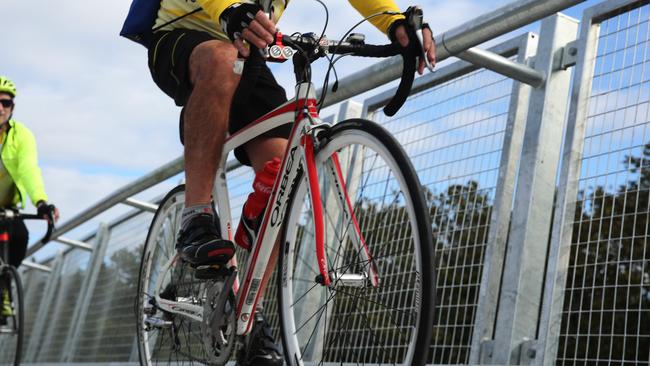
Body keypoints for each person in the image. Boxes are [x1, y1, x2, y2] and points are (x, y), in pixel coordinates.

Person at [144, 1, 435, 364]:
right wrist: (229, 8)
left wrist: (394, 24)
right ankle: (196, 216)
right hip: (183, 31)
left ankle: (250, 315)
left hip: (247, 45)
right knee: (220, 58)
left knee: (286, 170)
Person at [0, 76, 60, 326]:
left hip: (8, 207)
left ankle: (3, 288)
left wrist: (41, 203)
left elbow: (29, 169)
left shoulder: (22, 135)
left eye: (6, 103)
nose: (1, 107)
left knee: (20, 236)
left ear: (12, 108)